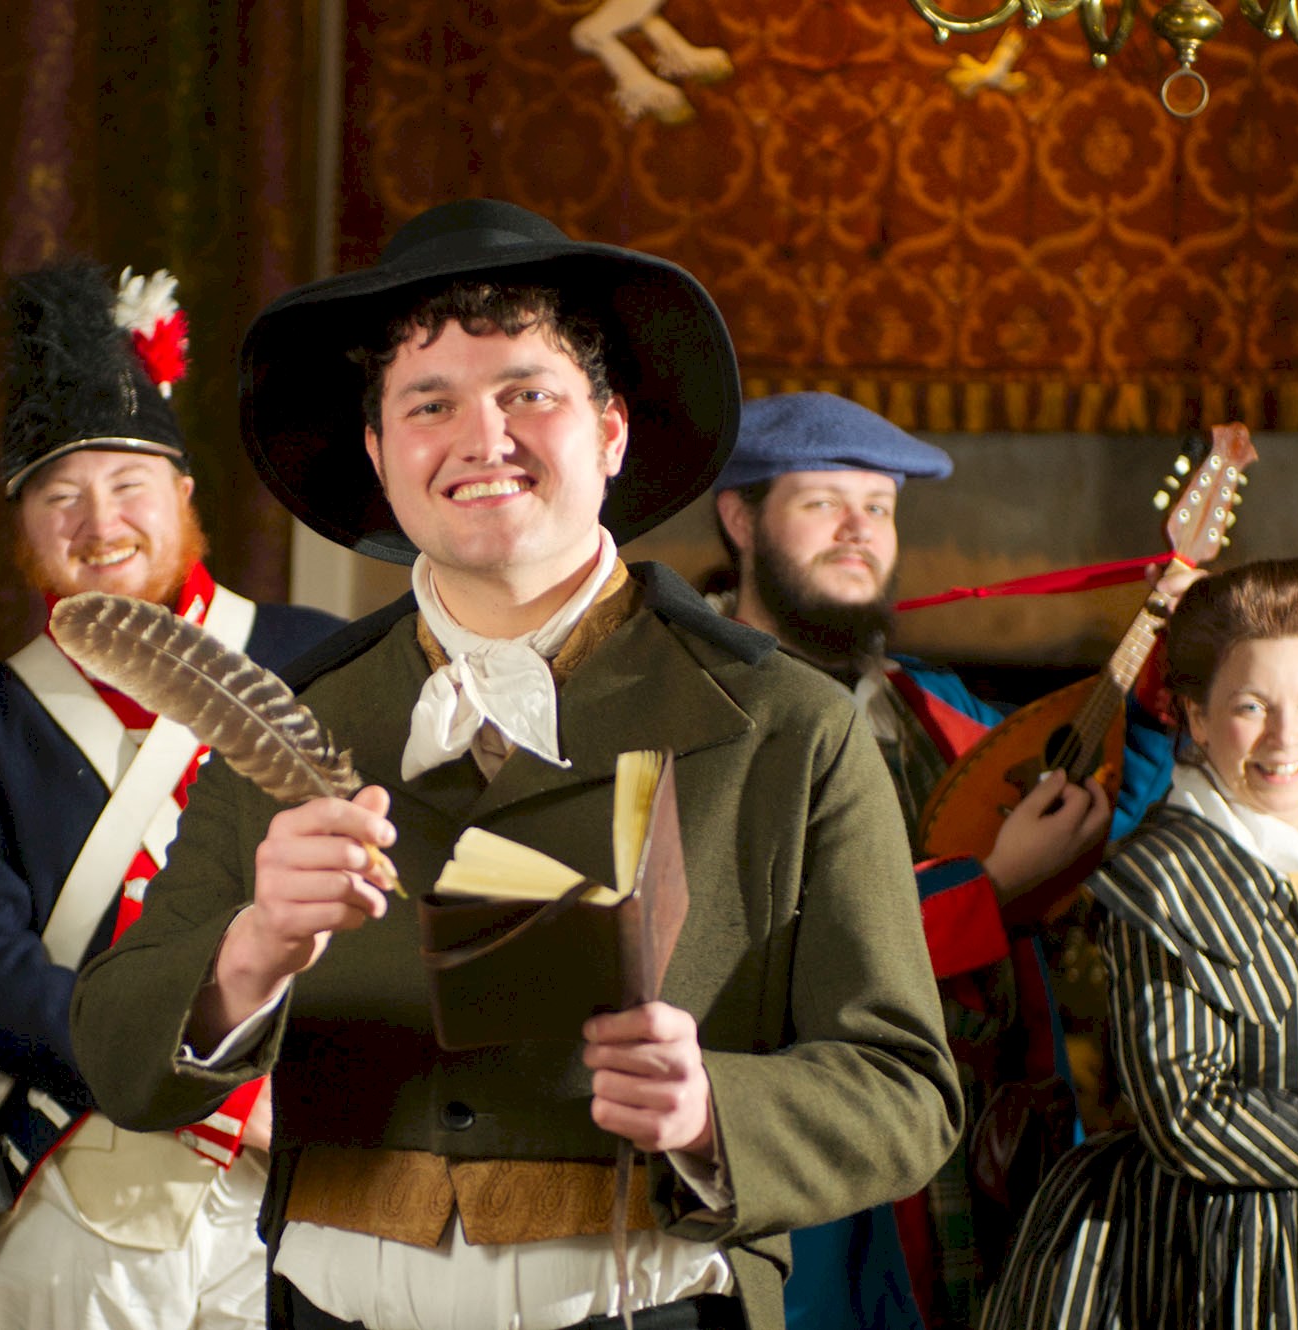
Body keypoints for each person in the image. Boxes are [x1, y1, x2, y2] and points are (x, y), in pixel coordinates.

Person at [68, 198, 962, 1330]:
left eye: (527, 394)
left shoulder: (787, 727)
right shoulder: (287, 721)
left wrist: (711, 1107)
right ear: (381, 458)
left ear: (614, 433)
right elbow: (114, 1054)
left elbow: (907, 1094)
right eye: (428, 405)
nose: (482, 438)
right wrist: (247, 953)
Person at [0, 260, 341, 1328]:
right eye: (60, 495)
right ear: (24, 529)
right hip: (76, 1178)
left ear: (184, 497)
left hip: (298, 1182)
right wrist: (208, 1079)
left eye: (127, 484)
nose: (99, 523)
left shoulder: (314, 659)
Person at [708, 393, 1182, 1329]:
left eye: (879, 508)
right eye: (822, 502)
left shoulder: (934, 708)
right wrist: (990, 890)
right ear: (739, 516)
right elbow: (769, 941)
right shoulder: (696, 703)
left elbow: (1095, 803)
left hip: (967, 1154)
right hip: (801, 1152)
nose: (859, 531)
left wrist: (1166, 660)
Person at [984, 558, 1298, 1329]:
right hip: (1235, 1258)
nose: (1290, 739)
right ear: (1193, 716)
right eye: (1252, 707)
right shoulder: (1166, 879)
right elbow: (1187, 1117)